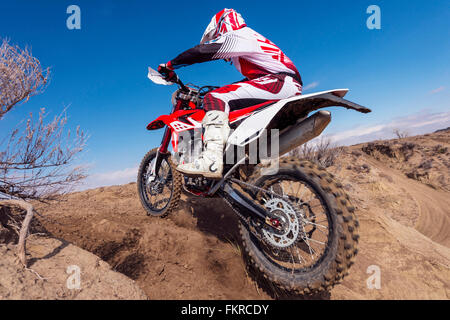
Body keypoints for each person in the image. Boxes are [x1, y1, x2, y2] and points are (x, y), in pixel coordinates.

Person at [158, 8, 303, 178]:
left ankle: (211, 160)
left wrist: (171, 64)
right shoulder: (250, 40)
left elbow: (202, 52)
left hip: (280, 82)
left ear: (221, 27)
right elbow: (252, 81)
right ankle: (259, 178)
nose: (216, 40)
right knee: (226, 103)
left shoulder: (239, 35)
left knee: (215, 97)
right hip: (280, 83)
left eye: (216, 37)